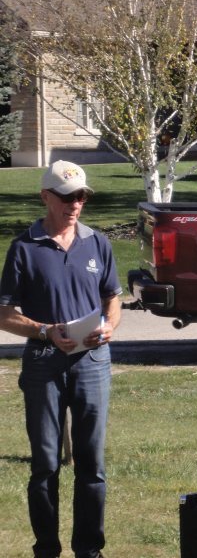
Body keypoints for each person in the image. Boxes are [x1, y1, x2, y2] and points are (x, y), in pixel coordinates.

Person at [0, 161, 122, 558]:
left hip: (93, 364)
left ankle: (90, 549)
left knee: (92, 463)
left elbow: (112, 298)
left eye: (82, 197)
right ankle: (46, 550)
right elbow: (3, 313)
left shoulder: (97, 243)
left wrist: (109, 327)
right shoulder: (24, 248)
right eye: (68, 197)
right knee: (45, 464)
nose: (76, 204)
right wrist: (43, 330)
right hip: (43, 364)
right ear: (46, 198)